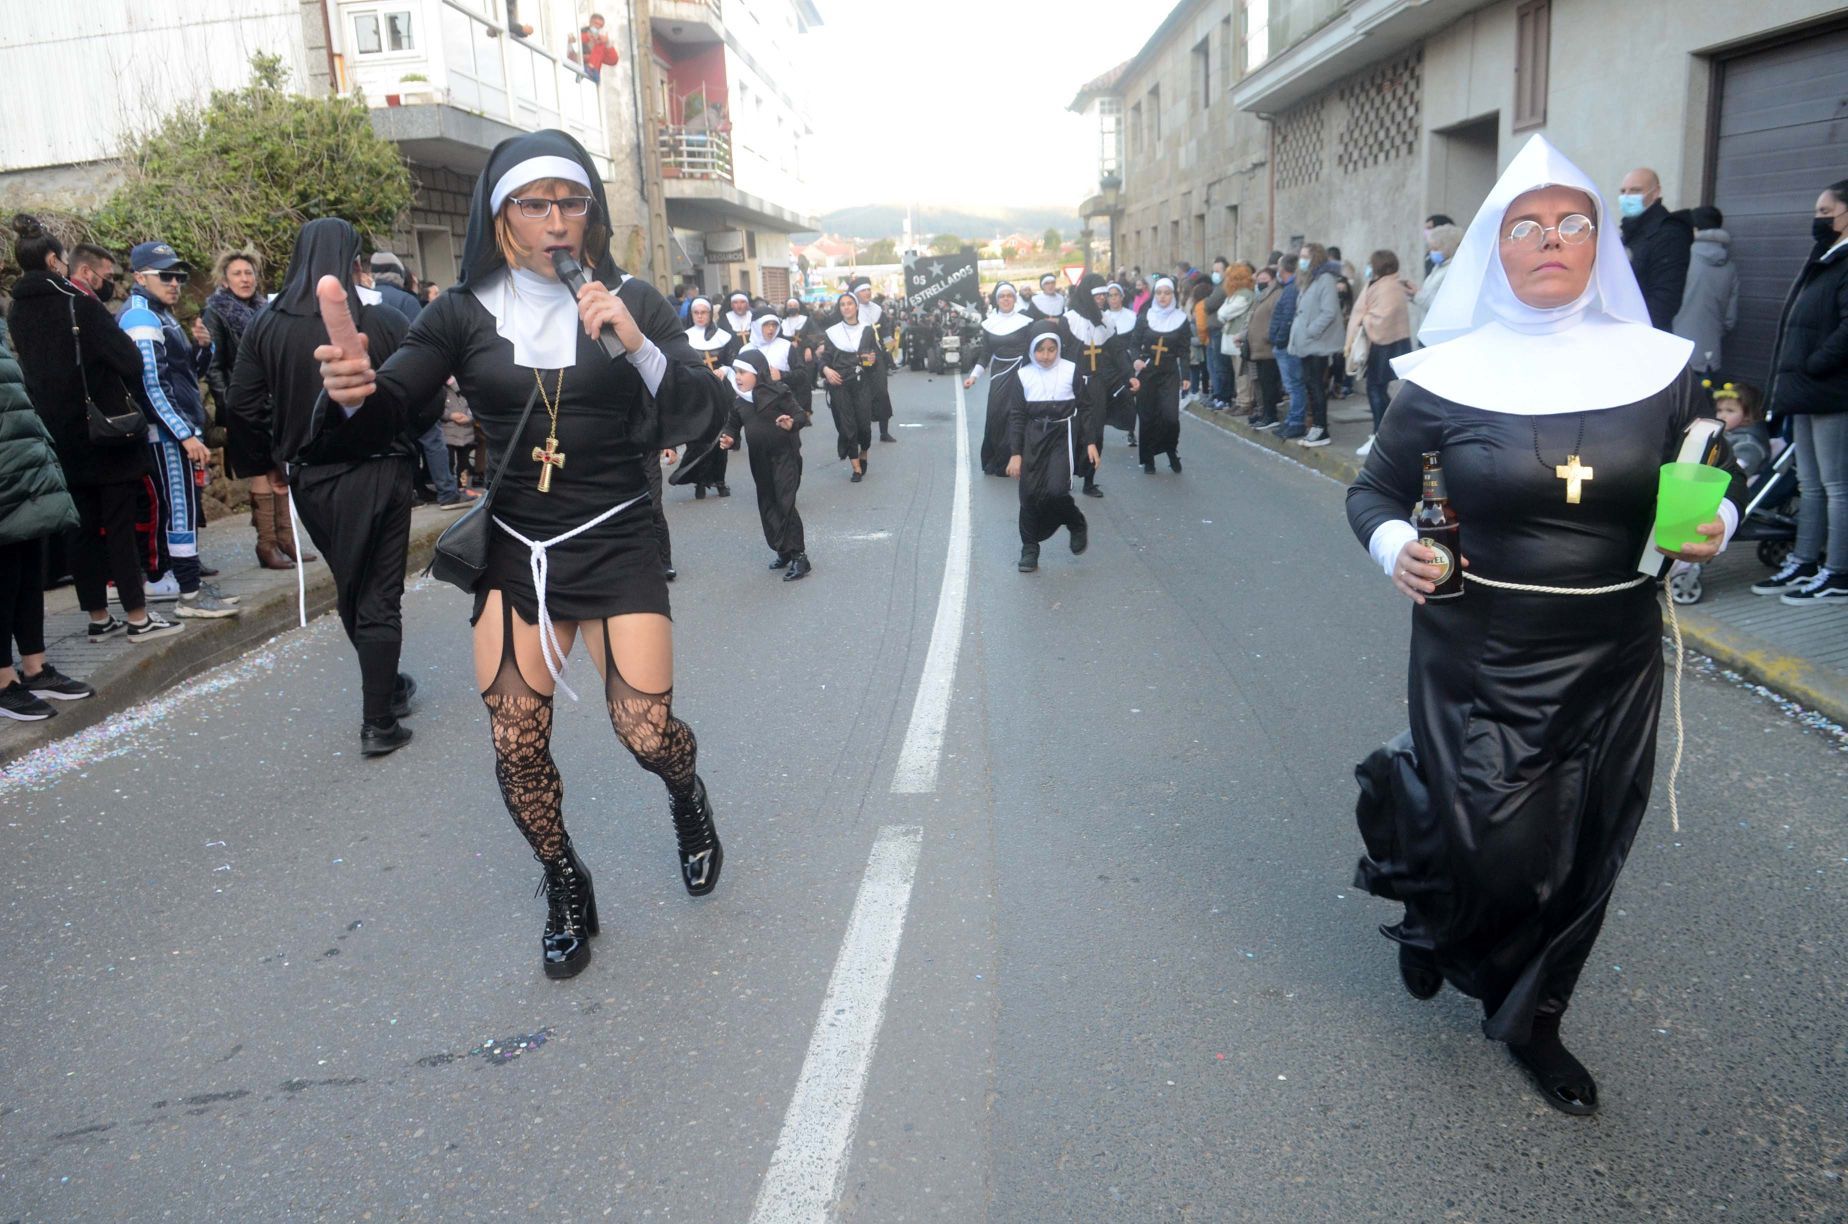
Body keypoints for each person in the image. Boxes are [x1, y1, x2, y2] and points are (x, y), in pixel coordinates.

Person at [1348, 134, 1746, 1116]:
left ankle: (1536, 1017)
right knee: (1493, 844)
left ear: (1600, 241)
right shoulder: (1442, 374)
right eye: (1527, 225)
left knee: (1584, 845)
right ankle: (1431, 896)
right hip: (1475, 646)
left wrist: (1715, 524)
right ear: (1498, 247)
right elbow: (1375, 491)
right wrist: (1394, 542)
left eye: (1573, 221)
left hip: (1613, 650)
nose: (1552, 238)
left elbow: (1704, 484)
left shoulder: (1661, 369)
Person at [313, 130, 723, 978]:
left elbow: (700, 413)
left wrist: (638, 344)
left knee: (645, 733)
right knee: (516, 741)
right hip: (517, 549)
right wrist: (357, 393)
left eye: (571, 202)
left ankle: (687, 794)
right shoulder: (463, 310)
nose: (556, 220)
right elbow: (398, 409)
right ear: (500, 218)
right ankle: (564, 879)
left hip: (614, 535)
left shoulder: (635, 299)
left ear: (590, 213)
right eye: (534, 204)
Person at [226, 218, 430, 755]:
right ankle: (379, 715)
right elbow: (422, 395)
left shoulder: (265, 325)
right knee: (380, 592)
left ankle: (384, 690)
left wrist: (267, 460)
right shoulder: (381, 320)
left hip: (311, 476)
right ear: (354, 262)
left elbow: (242, 404)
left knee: (351, 582)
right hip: (382, 468)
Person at [6, 219, 181, 647]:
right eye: (63, 260)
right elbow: (129, 360)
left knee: (80, 528)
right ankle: (138, 618)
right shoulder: (75, 301)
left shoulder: (15, 310)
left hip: (56, 433)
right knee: (119, 525)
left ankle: (98, 618)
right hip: (103, 431)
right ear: (53, 261)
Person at [120, 241, 240, 619]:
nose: (175, 283)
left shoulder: (160, 314)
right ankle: (188, 593)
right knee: (180, 512)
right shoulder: (141, 317)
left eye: (179, 276)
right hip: (164, 434)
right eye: (165, 275)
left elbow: (186, 373)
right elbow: (150, 385)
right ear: (139, 277)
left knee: (184, 510)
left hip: (176, 429)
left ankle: (189, 585)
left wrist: (203, 348)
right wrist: (183, 433)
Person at [1753, 178, 1848, 606]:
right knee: (1810, 484)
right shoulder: (1825, 258)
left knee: (1835, 485)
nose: (1818, 220)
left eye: (1826, 213)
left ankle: (1838, 572)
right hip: (1807, 392)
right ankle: (1806, 560)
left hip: (1831, 393)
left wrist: (1815, 364)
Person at [0, 320, 89, 721]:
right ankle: (3, 680)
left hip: (20, 465)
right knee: (3, 577)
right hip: (8, 465)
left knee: (27, 570)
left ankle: (34, 667)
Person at [204, 248, 305, 569]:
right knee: (261, 470)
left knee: (281, 465)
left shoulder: (267, 309)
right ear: (224, 279)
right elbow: (214, 366)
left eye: (249, 273)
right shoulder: (216, 312)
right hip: (244, 404)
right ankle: (267, 544)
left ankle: (286, 537)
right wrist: (230, 404)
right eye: (237, 274)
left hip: (274, 402)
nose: (245, 279)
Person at [1006, 328, 1098, 573]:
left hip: (1062, 435)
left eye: (1051, 349)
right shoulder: (1023, 376)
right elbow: (1016, 416)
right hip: (1032, 437)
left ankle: (1075, 521)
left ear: (1058, 348)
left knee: (1057, 491)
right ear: (1032, 350)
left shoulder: (1070, 370)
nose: (1045, 356)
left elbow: (1086, 407)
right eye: (1040, 350)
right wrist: (1016, 453)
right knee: (1028, 494)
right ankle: (1029, 548)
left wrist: (1090, 442)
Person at [719, 348, 810, 580]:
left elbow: (801, 416)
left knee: (785, 502)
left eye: (742, 372)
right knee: (768, 503)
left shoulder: (779, 392)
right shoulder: (740, 401)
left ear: (757, 373)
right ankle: (784, 550)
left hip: (785, 456)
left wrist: (791, 424)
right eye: (736, 372)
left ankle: (800, 557)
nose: (737, 377)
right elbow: (732, 425)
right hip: (759, 460)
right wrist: (729, 438)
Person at [1345, 250, 1416, 457]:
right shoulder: (1386, 284)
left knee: (1375, 388)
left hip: (1385, 344)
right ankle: (1386, 431)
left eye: (1370, 263)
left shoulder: (1387, 287)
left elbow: (1382, 318)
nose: (1367, 267)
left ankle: (1380, 434)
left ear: (1378, 265)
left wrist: (1363, 319)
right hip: (1383, 343)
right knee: (1377, 388)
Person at [669, 297, 736, 501]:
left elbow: (733, 360)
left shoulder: (724, 337)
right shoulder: (684, 337)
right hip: (696, 394)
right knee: (697, 439)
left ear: (710, 314)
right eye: (696, 313)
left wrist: (724, 369)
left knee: (718, 438)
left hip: (718, 392)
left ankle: (719, 480)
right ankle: (699, 481)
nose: (700, 316)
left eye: (703, 312)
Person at [964, 283, 1034, 476]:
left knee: (1019, 415)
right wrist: (973, 376)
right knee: (997, 415)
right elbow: (985, 355)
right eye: (1001, 296)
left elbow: (1034, 349)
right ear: (996, 299)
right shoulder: (989, 324)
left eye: (1009, 296)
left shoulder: (1026, 321)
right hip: (999, 373)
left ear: (1014, 298)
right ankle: (1000, 460)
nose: (1005, 299)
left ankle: (1019, 458)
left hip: (1022, 372)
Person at [1617, 167, 1693, 332]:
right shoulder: (1629, 232)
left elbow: (1665, 300)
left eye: (1635, 191)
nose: (1627, 197)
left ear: (1655, 192)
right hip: (1622, 329)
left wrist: (1633, 332)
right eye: (1623, 191)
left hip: (1644, 334)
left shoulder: (1669, 234)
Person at [1671, 205, 1739, 381]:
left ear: (1694, 228)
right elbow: (1730, 319)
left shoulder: (1682, 256)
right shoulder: (1729, 265)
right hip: (1711, 356)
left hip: (1677, 352)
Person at [1129, 276, 1190, 473]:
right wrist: (1136, 359)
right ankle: (1148, 459)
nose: (1163, 297)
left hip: (1169, 374)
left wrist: (1187, 376)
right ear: (1154, 295)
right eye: (1159, 293)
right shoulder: (1145, 317)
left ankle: (1170, 450)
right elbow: (1134, 344)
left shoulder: (1181, 319)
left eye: (1167, 293)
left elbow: (1184, 351)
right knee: (1147, 417)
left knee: (1170, 417)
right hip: (1147, 373)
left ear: (1173, 295)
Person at [1063, 274, 1115, 498]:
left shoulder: (1107, 321)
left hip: (1096, 384)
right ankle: (1065, 477)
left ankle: (1090, 480)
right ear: (1087, 295)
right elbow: (1061, 353)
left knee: (1095, 432)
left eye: (1105, 294)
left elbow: (1117, 352)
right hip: (1072, 385)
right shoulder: (1069, 320)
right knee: (1071, 432)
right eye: (1098, 295)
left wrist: (1129, 375)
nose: (1102, 298)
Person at [1286, 242, 1342, 447]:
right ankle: (1316, 427)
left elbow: (1329, 311)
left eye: (1305, 256)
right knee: (1310, 385)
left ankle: (1321, 428)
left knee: (1317, 386)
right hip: (1306, 343)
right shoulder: (1308, 280)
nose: (1301, 259)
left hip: (1317, 343)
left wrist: (1311, 331)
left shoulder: (1325, 279)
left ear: (1315, 257)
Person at [820, 291, 878, 482]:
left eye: (849, 304)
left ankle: (864, 453)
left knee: (864, 426)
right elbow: (825, 359)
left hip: (861, 383)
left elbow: (876, 358)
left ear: (856, 307)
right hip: (839, 383)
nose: (846, 307)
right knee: (848, 426)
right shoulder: (833, 332)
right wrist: (827, 371)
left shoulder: (867, 330)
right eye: (843, 304)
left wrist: (873, 359)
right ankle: (856, 468)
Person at [851, 279, 896, 442]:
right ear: (856, 293)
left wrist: (890, 346)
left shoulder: (877, 310)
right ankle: (861, 431)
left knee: (882, 392)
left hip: (876, 356)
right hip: (859, 355)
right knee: (861, 394)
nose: (867, 293)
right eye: (863, 290)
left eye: (869, 290)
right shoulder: (852, 311)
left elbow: (885, 330)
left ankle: (884, 432)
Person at [1245, 261, 1287, 430]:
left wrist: (1269, 336)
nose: (1260, 282)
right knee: (1261, 383)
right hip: (1257, 349)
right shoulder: (1260, 297)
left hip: (1268, 348)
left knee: (1269, 384)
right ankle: (1264, 414)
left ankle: (1271, 416)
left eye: (1264, 279)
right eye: (1258, 279)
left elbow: (1276, 319)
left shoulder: (1277, 295)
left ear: (1272, 280)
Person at [1268, 257, 1305, 438]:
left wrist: (1279, 339)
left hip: (1287, 346)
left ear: (1283, 269)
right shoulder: (1289, 288)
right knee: (1291, 385)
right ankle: (1292, 420)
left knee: (1294, 385)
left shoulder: (1291, 289)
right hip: (1285, 344)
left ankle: (1296, 421)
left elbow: (1287, 317)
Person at [1407, 224, 1461, 347]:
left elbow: (1444, 305)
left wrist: (1418, 295)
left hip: (1441, 336)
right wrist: (1414, 294)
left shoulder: (1455, 270)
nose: (1431, 253)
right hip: (1429, 331)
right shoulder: (1439, 267)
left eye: (1435, 248)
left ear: (1448, 248)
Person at [1101, 283, 1141, 447]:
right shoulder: (1103, 317)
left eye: (1116, 295)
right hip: (1110, 363)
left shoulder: (1132, 316)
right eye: (1110, 295)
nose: (1113, 298)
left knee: (1128, 394)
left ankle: (1130, 430)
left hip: (1126, 360)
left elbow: (1136, 340)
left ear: (1122, 297)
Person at [1215, 262, 1257, 415]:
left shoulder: (1245, 294)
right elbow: (1222, 312)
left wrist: (1223, 314)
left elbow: (1225, 313)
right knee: (1237, 373)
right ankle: (1240, 400)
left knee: (1242, 373)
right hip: (1232, 338)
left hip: (1239, 338)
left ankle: (1246, 402)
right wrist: (1223, 314)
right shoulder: (1235, 295)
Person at [1711, 382, 1770, 481]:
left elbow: (1733, 477)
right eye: (1719, 410)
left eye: (1730, 411)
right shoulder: (1725, 434)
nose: (1722, 416)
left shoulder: (1748, 445)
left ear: (1747, 414)